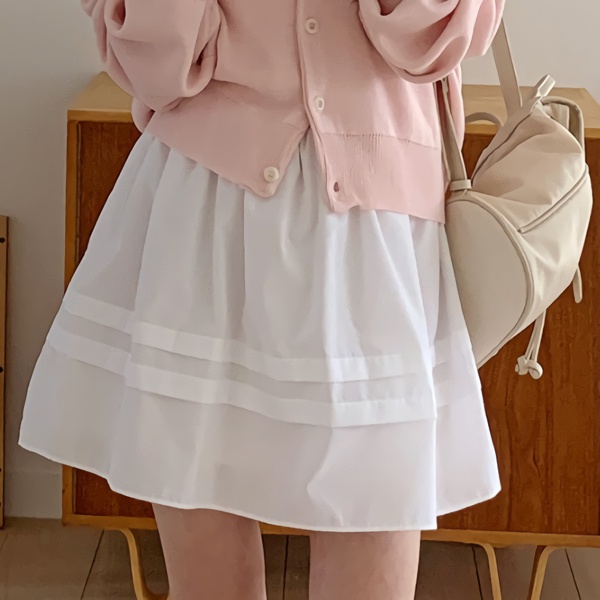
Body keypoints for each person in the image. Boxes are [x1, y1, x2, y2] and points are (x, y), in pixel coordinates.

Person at [20, 1, 505, 598]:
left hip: (374, 236)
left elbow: (434, 38)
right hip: (205, 214)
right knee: (210, 584)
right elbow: (156, 64)